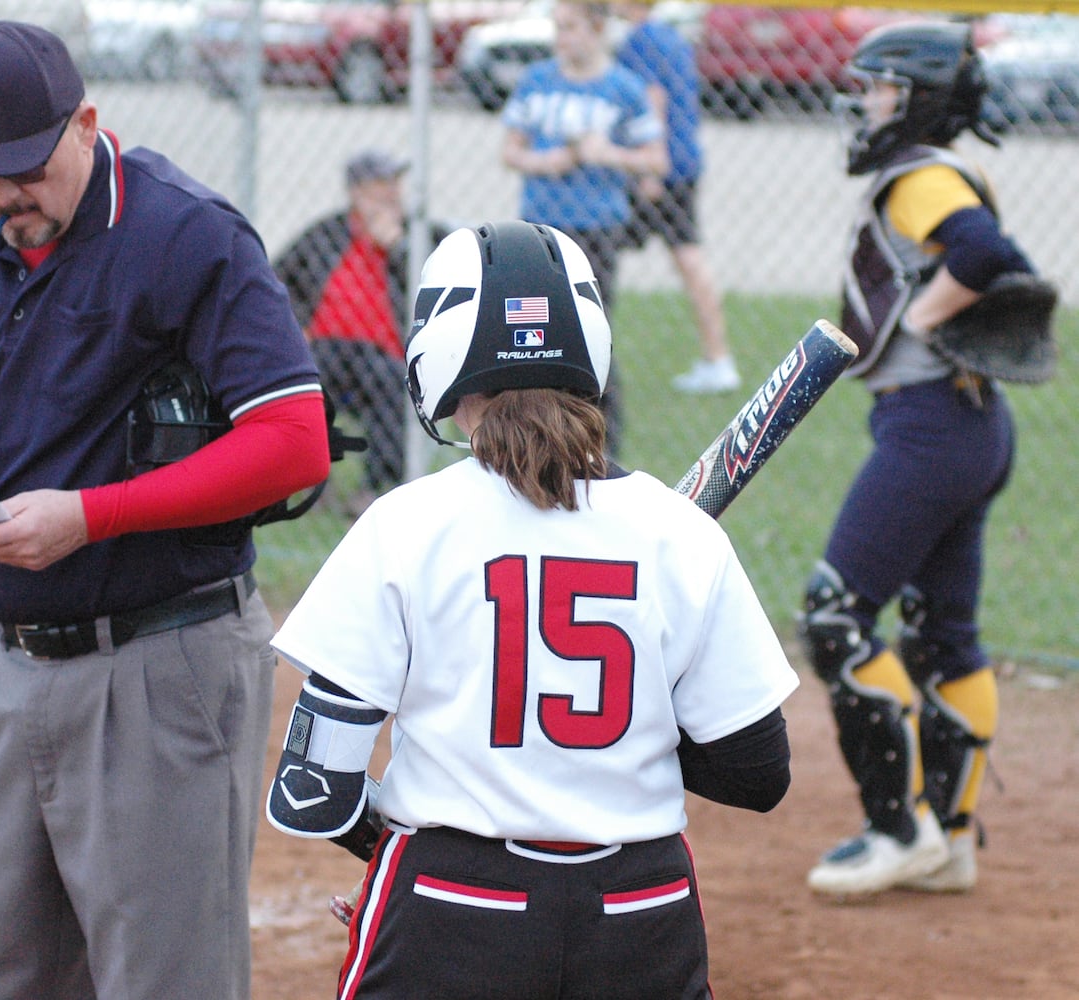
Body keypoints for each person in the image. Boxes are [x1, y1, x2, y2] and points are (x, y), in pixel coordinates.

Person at [0, 21, 330, 998]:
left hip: (163, 657)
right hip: (9, 667)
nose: (3, 199)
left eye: (23, 168)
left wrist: (93, 514)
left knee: (164, 978)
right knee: (3, 976)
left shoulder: (186, 235)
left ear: (86, 123)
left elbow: (294, 442)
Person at [263, 220, 799, 998]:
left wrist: (403, 850)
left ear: (437, 354)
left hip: (452, 908)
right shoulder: (679, 535)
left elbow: (314, 790)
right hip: (641, 915)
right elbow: (759, 774)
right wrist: (626, 727)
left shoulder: (404, 526)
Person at [800, 21, 1030, 896]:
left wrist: (930, 320)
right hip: (966, 426)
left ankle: (902, 829)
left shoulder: (921, 177)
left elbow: (982, 253)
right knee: (943, 638)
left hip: (933, 426)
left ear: (920, 96)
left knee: (836, 616)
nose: (865, 102)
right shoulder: (941, 171)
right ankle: (953, 837)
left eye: (881, 87)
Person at [501, 0, 669, 456]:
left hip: (595, 229)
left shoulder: (623, 88)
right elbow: (511, 151)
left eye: (571, 28)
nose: (562, 37)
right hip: (538, 231)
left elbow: (656, 159)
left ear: (597, 29)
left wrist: (608, 153)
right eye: (557, 27)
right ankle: (533, 435)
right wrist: (545, 161)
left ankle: (601, 443)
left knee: (589, 334)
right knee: (529, 334)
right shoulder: (537, 80)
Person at [274, 150, 452, 515]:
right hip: (324, 347)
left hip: (384, 353)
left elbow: (445, 289)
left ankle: (376, 489)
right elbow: (276, 281)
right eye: (379, 186)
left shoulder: (421, 235)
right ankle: (308, 480)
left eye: (394, 185)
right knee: (303, 384)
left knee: (390, 385)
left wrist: (399, 249)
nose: (391, 194)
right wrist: (295, 333)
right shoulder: (327, 234)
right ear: (356, 193)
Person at [614, 1, 741, 395]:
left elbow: (654, 98)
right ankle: (718, 357)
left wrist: (650, 168)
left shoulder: (641, 40)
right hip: (680, 162)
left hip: (661, 168)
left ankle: (719, 358)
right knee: (685, 253)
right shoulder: (669, 36)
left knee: (681, 255)